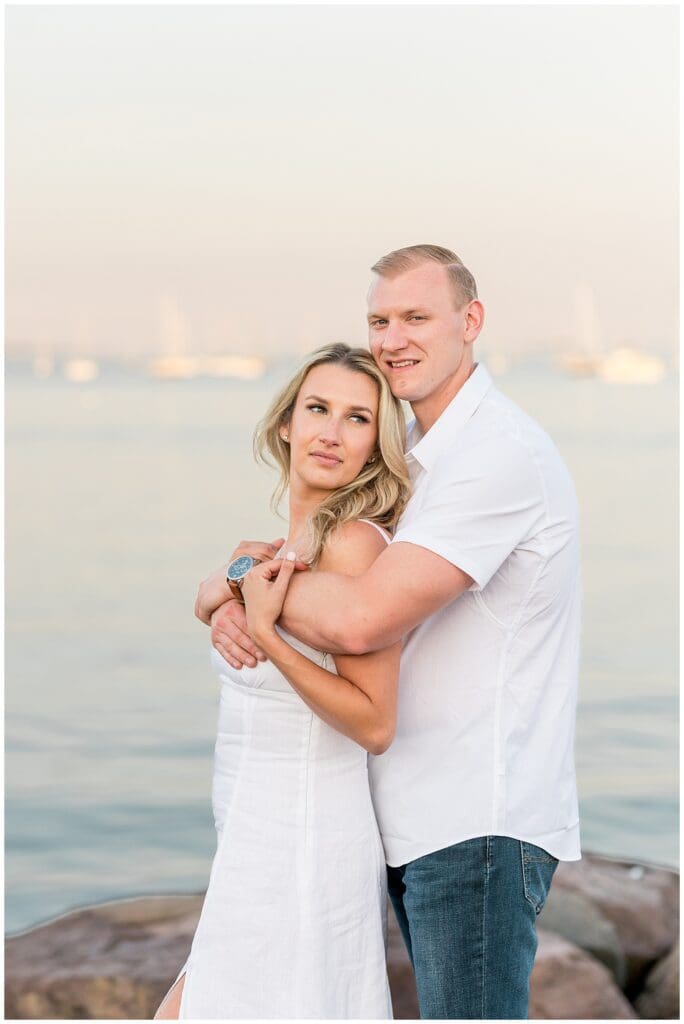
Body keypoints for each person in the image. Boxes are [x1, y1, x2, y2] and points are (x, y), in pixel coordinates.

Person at [201, 244, 582, 1020]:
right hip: (409, 818)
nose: (394, 337)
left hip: (476, 819)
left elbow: (363, 616)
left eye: (417, 316)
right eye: (380, 319)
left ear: (470, 322)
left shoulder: (493, 457)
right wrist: (231, 585)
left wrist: (237, 585)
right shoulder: (420, 461)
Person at [155, 343, 411, 1019]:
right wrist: (219, 595)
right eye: (318, 409)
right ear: (285, 425)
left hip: (307, 834)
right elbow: (239, 600)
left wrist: (264, 629)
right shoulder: (270, 551)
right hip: (248, 830)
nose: (331, 431)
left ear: (376, 447)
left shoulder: (354, 545)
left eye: (358, 419)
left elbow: (375, 723)